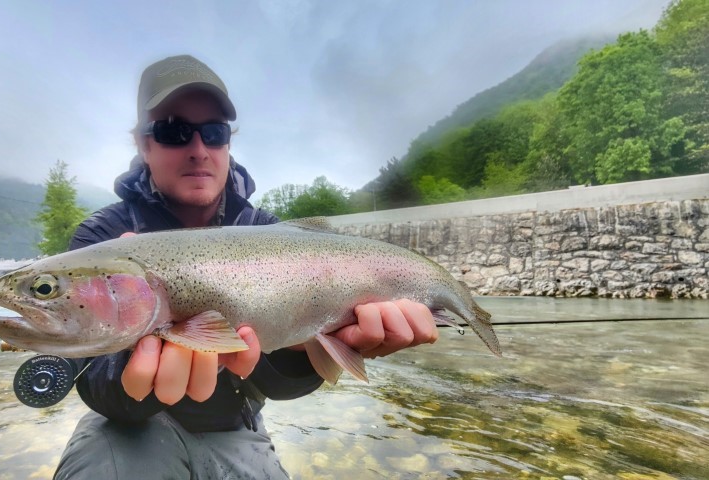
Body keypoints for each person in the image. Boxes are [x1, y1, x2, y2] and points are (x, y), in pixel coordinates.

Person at [53, 55, 438, 479]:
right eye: (172, 131)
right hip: (125, 430)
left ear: (227, 143)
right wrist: (134, 379)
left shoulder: (267, 231)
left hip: (235, 428)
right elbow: (92, 381)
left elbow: (279, 387)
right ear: (144, 145)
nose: (198, 150)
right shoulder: (102, 238)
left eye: (213, 133)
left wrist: (300, 344)